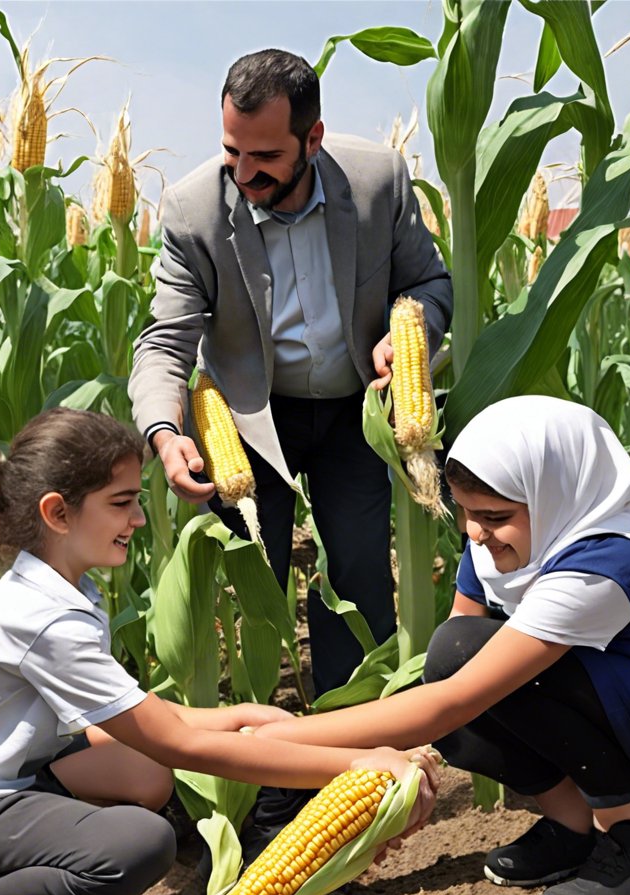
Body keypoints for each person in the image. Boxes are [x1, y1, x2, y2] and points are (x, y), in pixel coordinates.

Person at [0, 408, 439, 895]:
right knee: (140, 847)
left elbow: (142, 716)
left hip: (3, 774)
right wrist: (354, 765)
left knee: (147, 777)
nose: (140, 519)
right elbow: (177, 743)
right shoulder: (43, 621)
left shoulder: (58, 591)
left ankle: (4, 854)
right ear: (57, 513)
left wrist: (239, 713)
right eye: (121, 503)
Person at [249, 395, 630, 895]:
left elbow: (452, 698)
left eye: (494, 516)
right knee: (452, 657)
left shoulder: (603, 566)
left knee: (469, 673)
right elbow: (454, 651)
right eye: (466, 513)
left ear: (551, 493)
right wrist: (399, 763)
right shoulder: (498, 540)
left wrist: (292, 737)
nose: (474, 532)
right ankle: (573, 824)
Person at [127, 47, 452, 853]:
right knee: (258, 587)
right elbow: (166, 341)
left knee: (356, 578)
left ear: (313, 139)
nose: (244, 171)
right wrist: (165, 433)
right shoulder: (196, 208)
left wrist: (408, 331)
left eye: (265, 156)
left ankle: (345, 764)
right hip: (249, 416)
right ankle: (268, 777)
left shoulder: (378, 181)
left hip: (351, 411)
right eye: (233, 150)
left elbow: (431, 286)